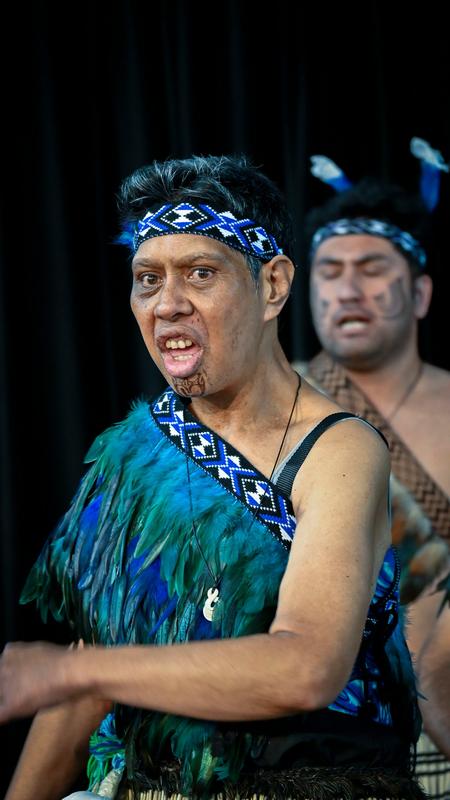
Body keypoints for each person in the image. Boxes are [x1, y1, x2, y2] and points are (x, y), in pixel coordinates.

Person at [1, 155, 426, 800]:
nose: (168, 304)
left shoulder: (340, 451)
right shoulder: (136, 454)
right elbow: (92, 661)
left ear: (274, 286)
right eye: (147, 279)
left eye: (201, 273)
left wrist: (72, 674)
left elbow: (307, 667)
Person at [297, 167, 450, 800]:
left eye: (371, 268)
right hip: (315, 736)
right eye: (328, 273)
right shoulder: (264, 410)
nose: (347, 289)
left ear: (418, 294)